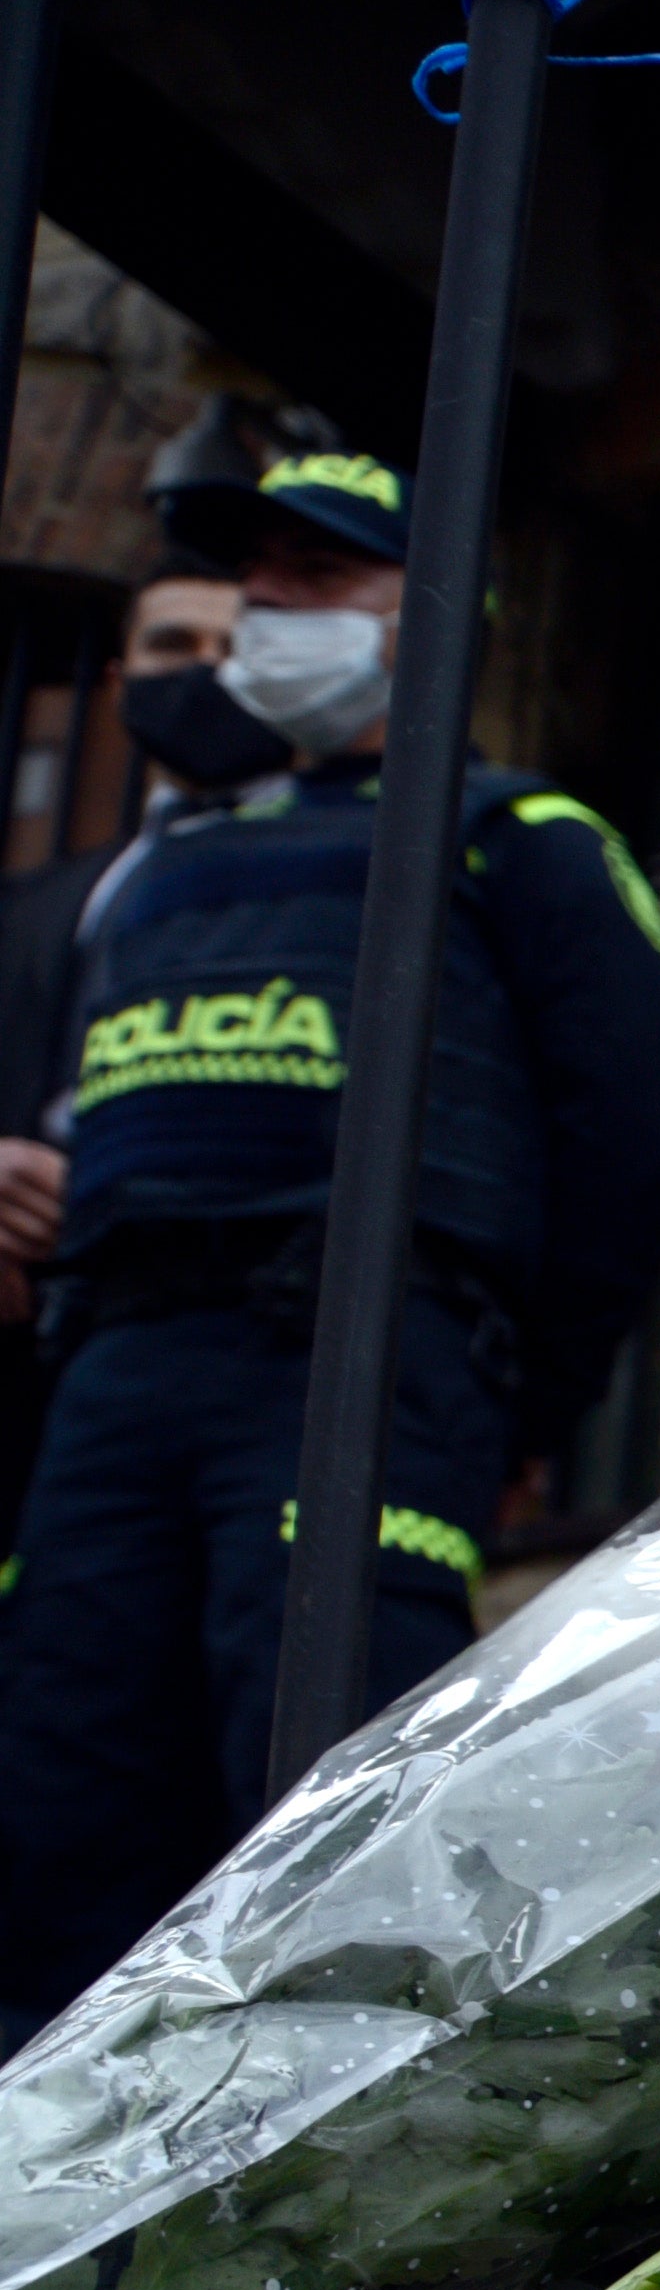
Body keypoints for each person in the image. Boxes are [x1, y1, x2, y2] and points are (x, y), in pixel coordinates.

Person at [0, 440, 660, 2040]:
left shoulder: (521, 839)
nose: (267, 614)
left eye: (315, 582)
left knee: (323, 1786)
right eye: (255, 584)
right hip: (110, 1390)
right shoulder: (152, 875)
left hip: (358, 1367)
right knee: (60, 1798)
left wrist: (524, 1402)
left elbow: (628, 1151)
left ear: (425, 614)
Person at [0, 567, 248, 1556]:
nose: (205, 671)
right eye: (174, 645)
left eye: (232, 650)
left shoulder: (349, 887)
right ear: (115, 680)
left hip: (208, 1345)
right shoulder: (30, 905)